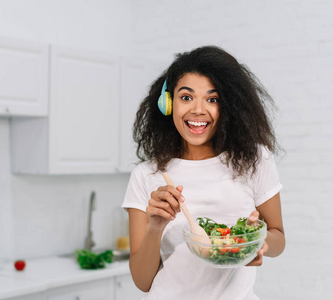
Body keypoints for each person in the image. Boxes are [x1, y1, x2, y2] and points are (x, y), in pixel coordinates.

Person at [122, 46, 285, 300]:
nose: (198, 110)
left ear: (228, 106)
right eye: (186, 97)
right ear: (168, 103)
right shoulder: (146, 175)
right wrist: (155, 227)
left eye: (212, 99)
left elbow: (279, 238)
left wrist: (257, 242)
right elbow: (142, 282)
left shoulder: (255, 160)